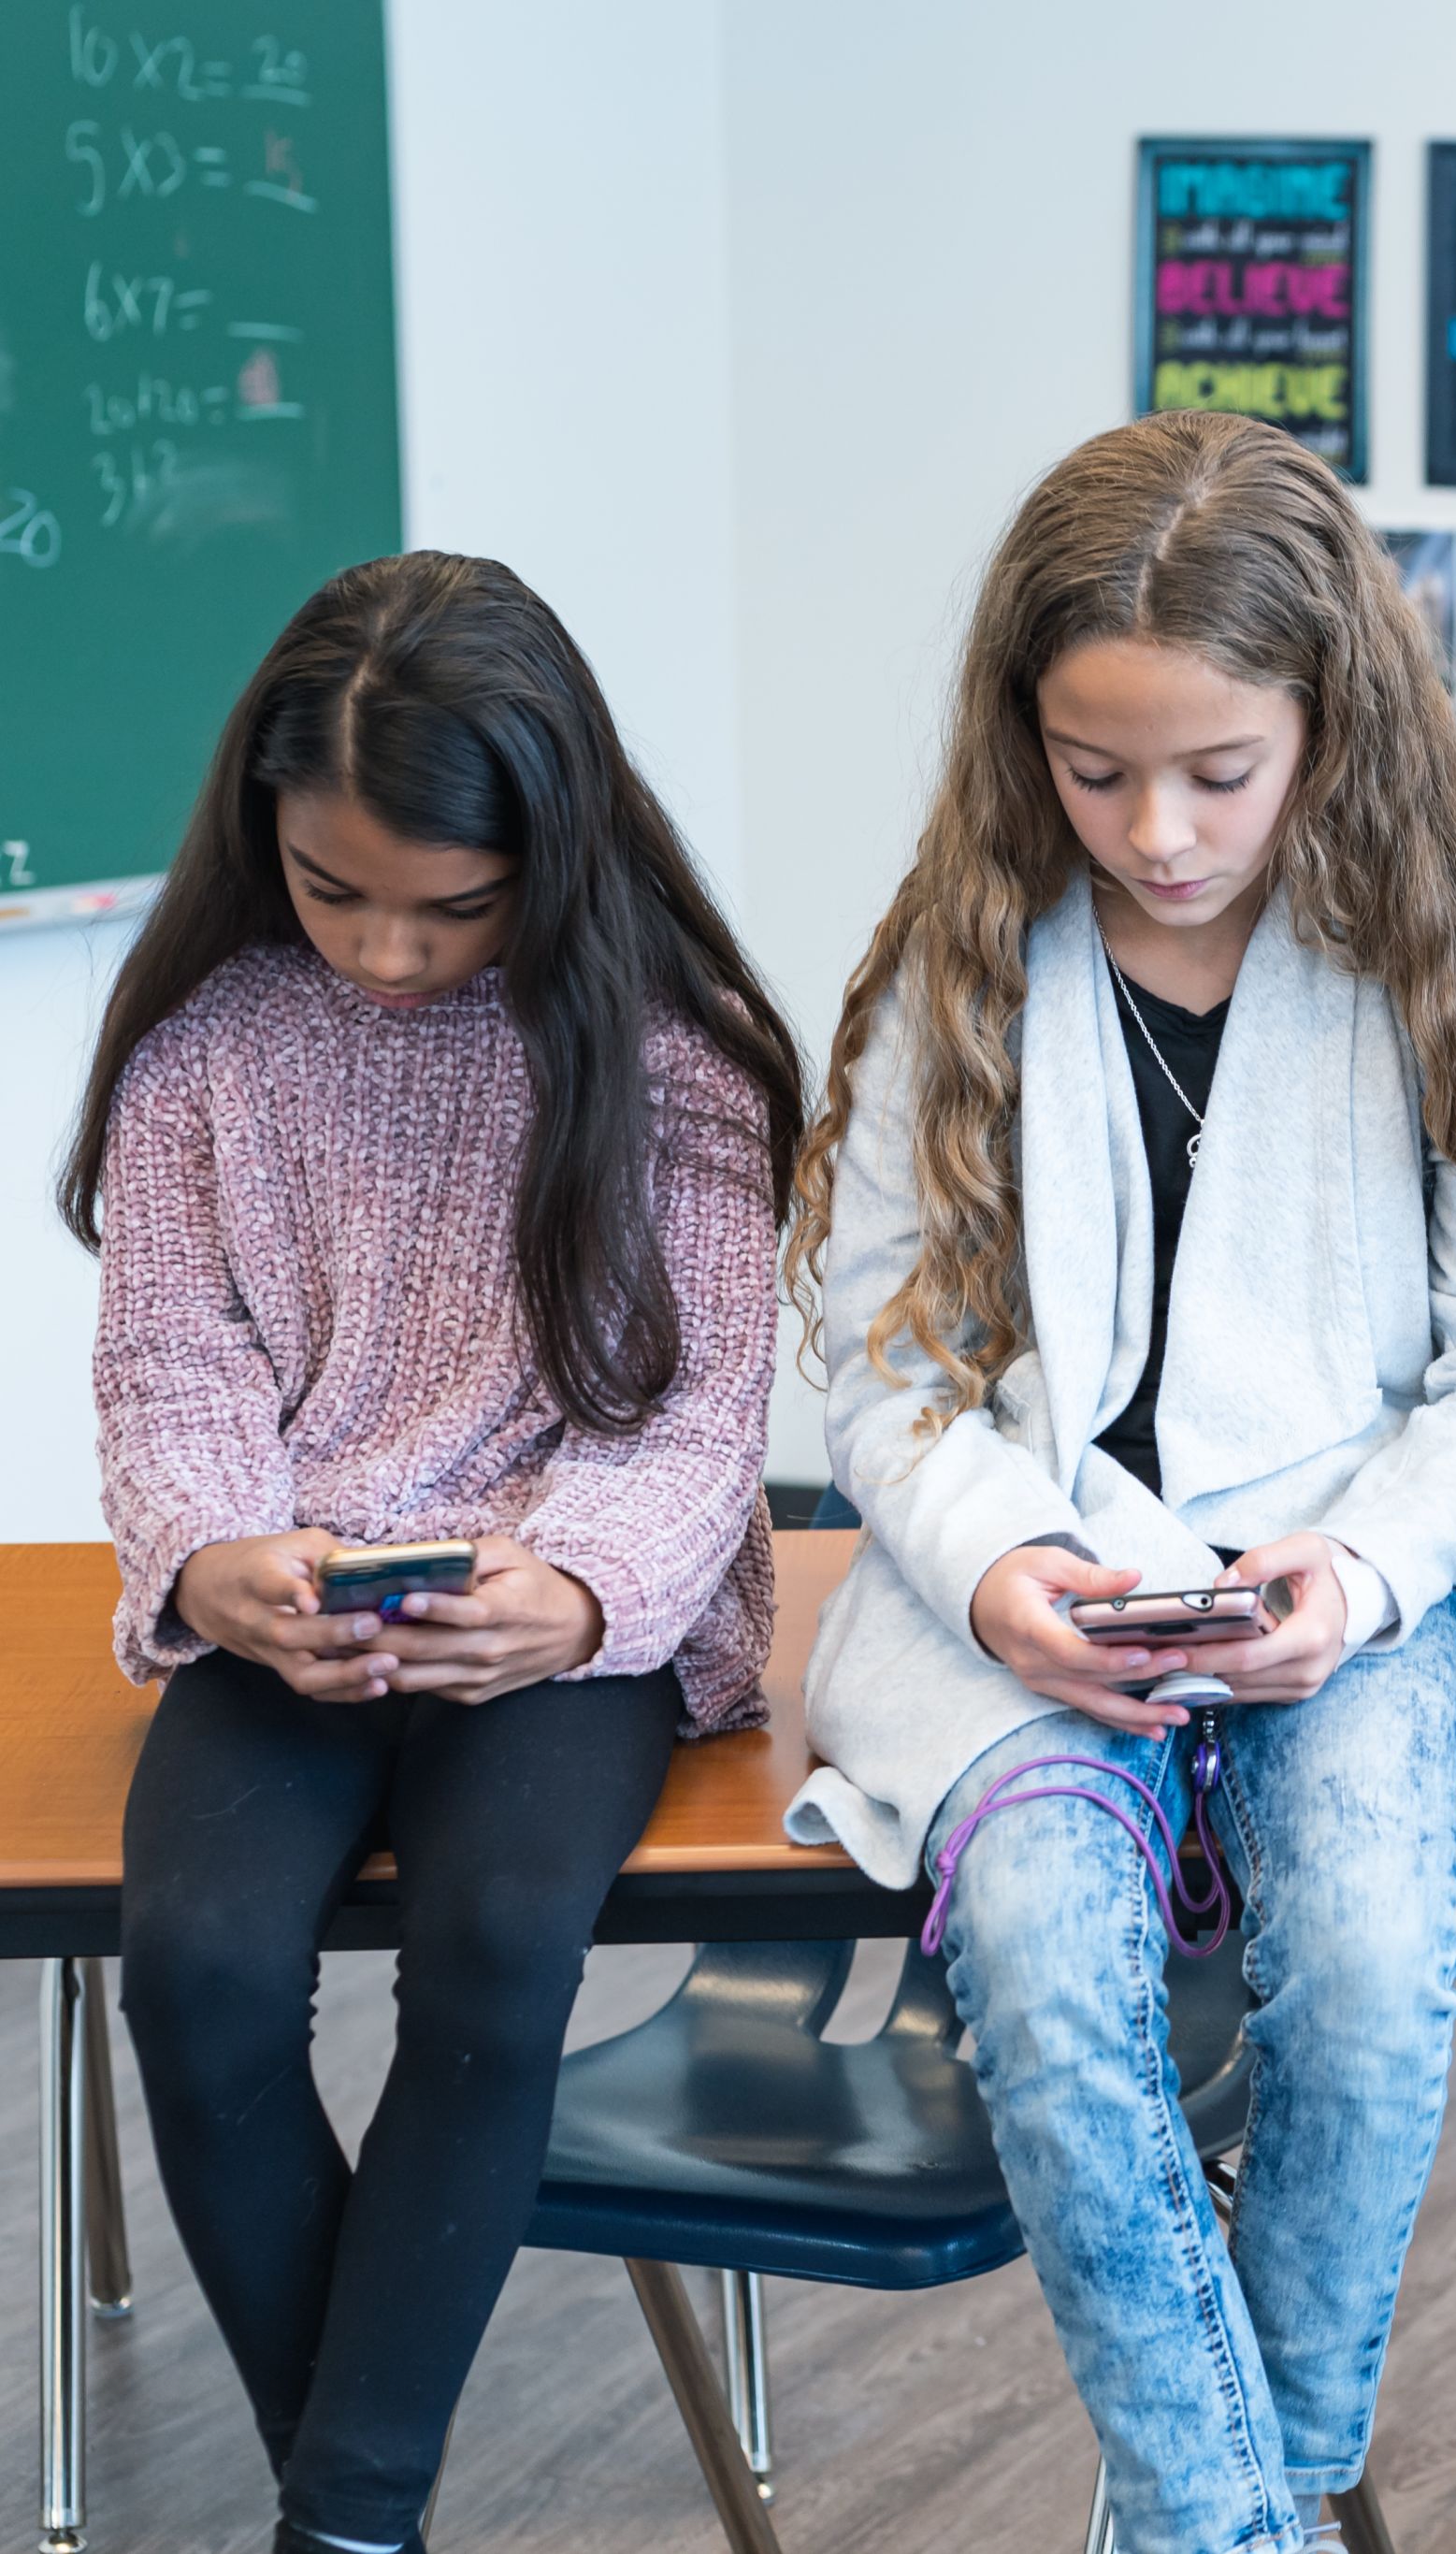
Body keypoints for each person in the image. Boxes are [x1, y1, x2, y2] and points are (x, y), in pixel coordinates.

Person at [781, 410, 1456, 2554]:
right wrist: (999, 1580)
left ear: (1327, 724)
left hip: (1361, 1577)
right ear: (1025, 743)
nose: (1158, 832)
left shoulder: (1435, 954)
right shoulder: (961, 966)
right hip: (1027, 1584)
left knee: (1370, 1964)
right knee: (1044, 1957)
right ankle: (1238, 2528)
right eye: (1096, 774)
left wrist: (1356, 1581)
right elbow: (888, 1362)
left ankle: (1198, 2516)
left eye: (1216, 772)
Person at [70, 553, 802, 2554]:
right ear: (262, 833)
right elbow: (168, 1360)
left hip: (565, 1620)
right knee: (199, 1972)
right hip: (291, 1603)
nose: (385, 955)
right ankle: (360, 2510)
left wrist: (568, 1591)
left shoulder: (681, 1055)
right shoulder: (205, 1047)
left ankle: (341, 2523)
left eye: (451, 907)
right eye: (333, 891)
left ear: (549, 856)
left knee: (493, 1955)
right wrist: (220, 1556)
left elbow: (696, 1414)